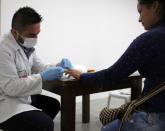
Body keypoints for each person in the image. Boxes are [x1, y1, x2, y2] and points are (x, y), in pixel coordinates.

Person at [66, 0, 165, 130]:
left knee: (106, 129)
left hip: (157, 115)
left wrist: (82, 76)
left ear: (154, 6)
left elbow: (112, 75)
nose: (139, 19)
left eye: (140, 11)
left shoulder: (151, 38)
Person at [0, 7, 72, 131]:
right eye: (31, 35)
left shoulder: (25, 45)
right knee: (45, 124)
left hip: (18, 96)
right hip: (2, 102)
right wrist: (42, 77)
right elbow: (11, 87)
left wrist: (57, 66)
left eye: (37, 34)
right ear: (14, 32)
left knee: (53, 105)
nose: (35, 39)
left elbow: (40, 66)